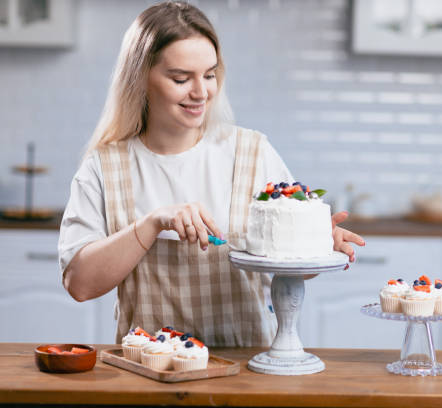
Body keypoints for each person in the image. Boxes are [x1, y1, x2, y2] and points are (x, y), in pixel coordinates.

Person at [58, 1, 365, 347]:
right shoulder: (104, 167)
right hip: (149, 374)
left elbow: (289, 267)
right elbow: (79, 284)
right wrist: (152, 223)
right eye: (180, 78)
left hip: (245, 373)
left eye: (209, 74)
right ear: (141, 77)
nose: (201, 92)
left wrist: (317, 245)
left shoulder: (252, 153)